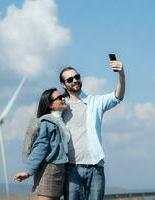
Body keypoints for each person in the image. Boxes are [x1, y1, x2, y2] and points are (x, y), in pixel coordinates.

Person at [59, 58, 125, 200]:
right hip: (71, 169)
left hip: (95, 168)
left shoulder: (96, 102)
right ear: (63, 84)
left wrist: (121, 74)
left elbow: (118, 96)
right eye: (70, 79)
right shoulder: (61, 107)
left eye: (77, 77)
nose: (75, 80)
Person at [14, 88, 70, 200]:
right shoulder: (47, 121)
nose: (63, 98)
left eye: (63, 96)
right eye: (59, 98)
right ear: (50, 105)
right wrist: (28, 172)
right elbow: (40, 147)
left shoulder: (60, 121)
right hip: (49, 170)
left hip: (60, 170)